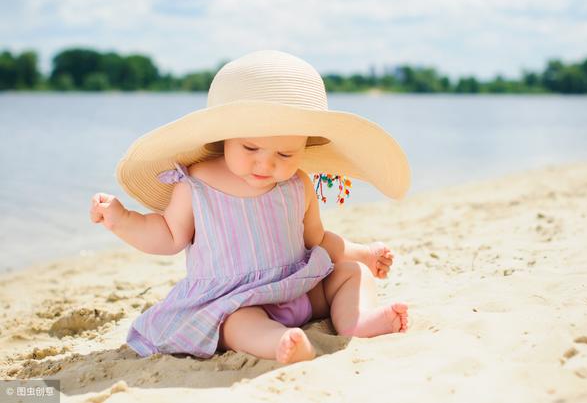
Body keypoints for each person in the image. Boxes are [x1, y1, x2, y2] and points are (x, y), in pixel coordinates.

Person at [90, 50, 411, 364]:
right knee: (236, 325)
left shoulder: (297, 184)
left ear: (303, 147)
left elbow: (318, 239)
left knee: (352, 273)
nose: (266, 163)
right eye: (250, 147)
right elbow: (167, 235)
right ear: (223, 137)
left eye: (285, 154)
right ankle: (278, 342)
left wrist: (363, 253)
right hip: (233, 300)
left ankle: (358, 321)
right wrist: (122, 219)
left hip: (299, 288)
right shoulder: (196, 184)